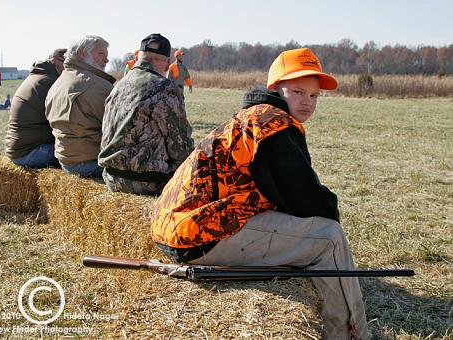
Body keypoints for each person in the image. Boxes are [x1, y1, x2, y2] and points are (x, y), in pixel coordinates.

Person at [151, 48, 370, 339]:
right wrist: (331, 215)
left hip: (178, 228)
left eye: (314, 96)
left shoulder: (254, 116)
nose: (307, 102)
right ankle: (351, 334)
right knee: (329, 237)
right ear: (275, 89)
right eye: (297, 91)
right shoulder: (274, 124)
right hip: (199, 236)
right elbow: (305, 198)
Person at [99, 33, 194, 196]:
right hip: (148, 182)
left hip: (111, 178)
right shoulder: (164, 87)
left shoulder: (118, 86)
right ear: (167, 63)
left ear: (139, 57)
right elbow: (180, 146)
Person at [46, 36, 115, 177]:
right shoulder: (96, 85)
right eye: (101, 54)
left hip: (65, 158)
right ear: (82, 53)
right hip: (89, 161)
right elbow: (119, 127)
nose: (107, 60)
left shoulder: (58, 82)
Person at [5, 48, 67, 168]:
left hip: (20, 150)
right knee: (81, 153)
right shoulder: (50, 82)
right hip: (31, 152)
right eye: (66, 64)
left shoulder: (39, 77)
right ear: (54, 61)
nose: (70, 69)